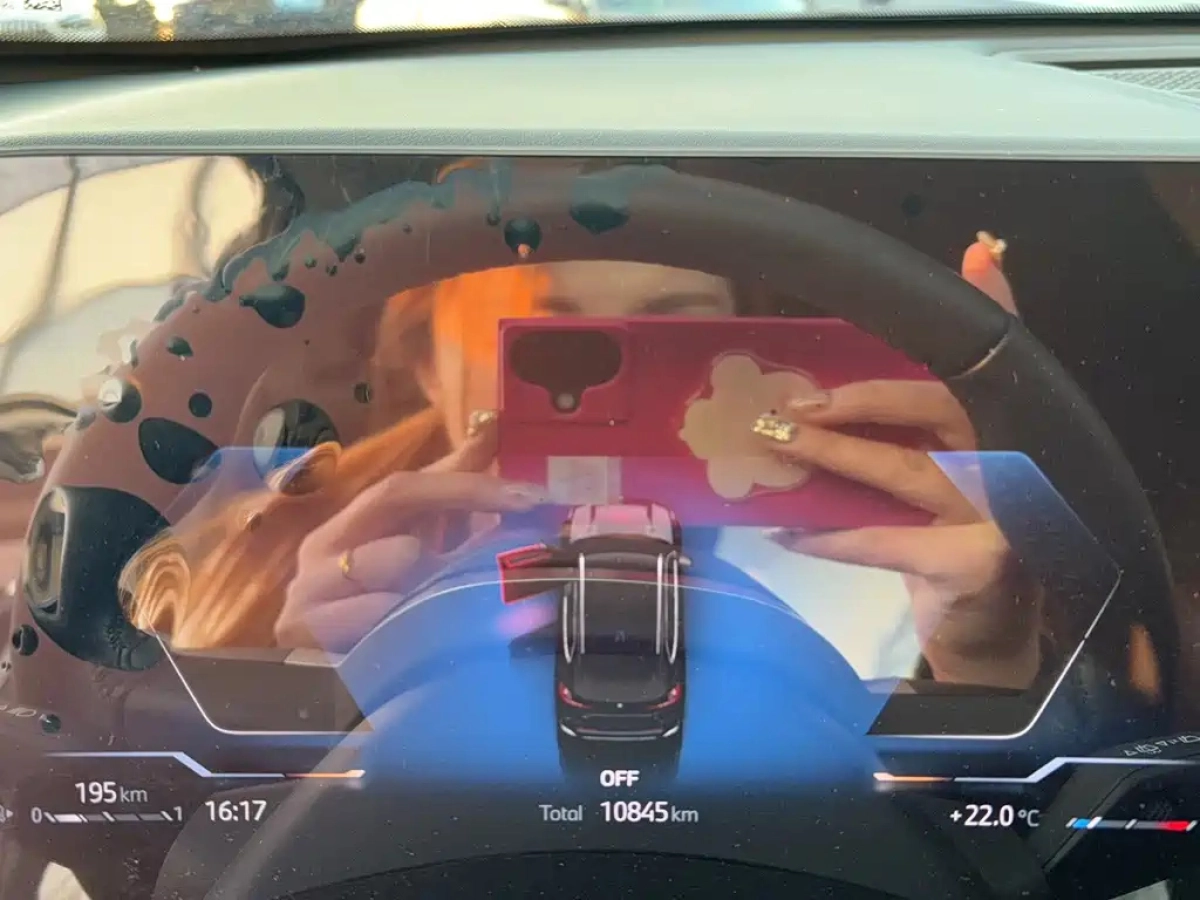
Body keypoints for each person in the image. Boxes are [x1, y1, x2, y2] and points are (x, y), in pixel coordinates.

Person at [118, 215, 1075, 695]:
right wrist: (306, 688)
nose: (606, 400)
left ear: (743, 351)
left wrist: (982, 659)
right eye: (550, 340)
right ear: (425, 357)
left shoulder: (879, 556)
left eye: (672, 336)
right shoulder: (259, 545)